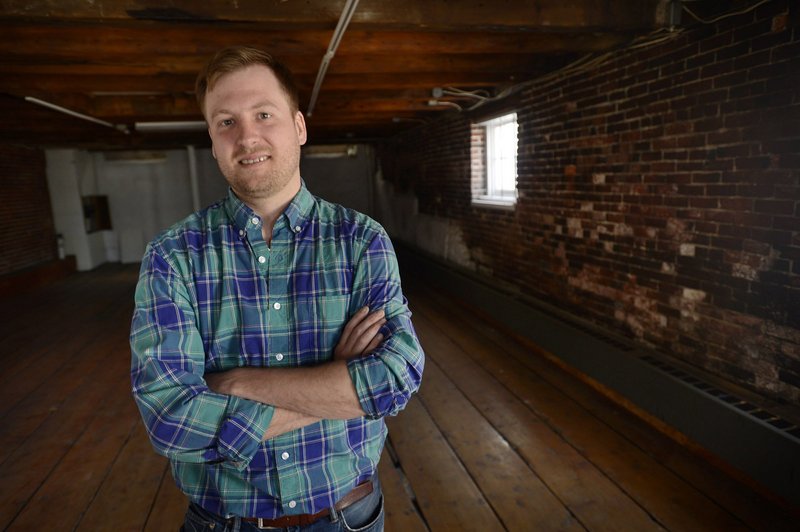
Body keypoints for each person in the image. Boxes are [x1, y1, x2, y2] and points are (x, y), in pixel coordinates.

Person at [130, 45, 424, 531]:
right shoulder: (172, 256)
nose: (247, 136)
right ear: (212, 138)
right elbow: (172, 419)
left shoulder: (360, 241)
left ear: (299, 127)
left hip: (347, 517)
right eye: (226, 122)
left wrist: (237, 386)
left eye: (264, 114)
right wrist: (337, 380)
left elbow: (395, 378)